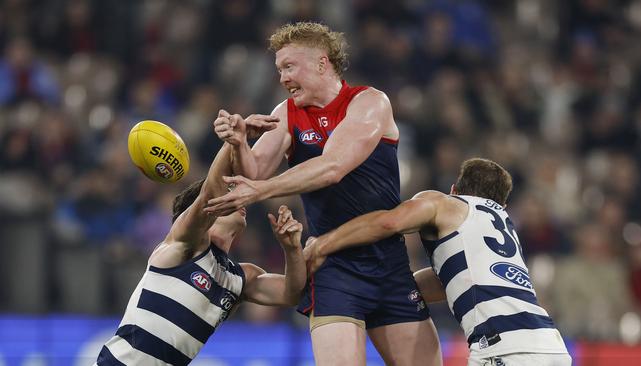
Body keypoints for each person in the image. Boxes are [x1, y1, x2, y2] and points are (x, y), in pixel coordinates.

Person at [206, 22, 441, 366]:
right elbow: (252, 173)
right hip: (331, 268)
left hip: (390, 265)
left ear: (322, 63)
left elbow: (333, 167)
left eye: (289, 66)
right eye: (279, 70)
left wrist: (261, 190)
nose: (283, 78)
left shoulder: (369, 102)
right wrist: (238, 143)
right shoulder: (286, 114)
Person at [305, 158, 572, 366]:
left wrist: (324, 243)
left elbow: (388, 222)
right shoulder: (505, 227)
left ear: (454, 189)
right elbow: (450, 282)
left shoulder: (446, 203)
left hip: (506, 349)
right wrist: (393, 291)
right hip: (553, 347)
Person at [95, 118, 306, 366]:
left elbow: (292, 293)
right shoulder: (182, 246)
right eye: (230, 193)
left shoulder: (239, 278)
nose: (238, 198)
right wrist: (233, 142)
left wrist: (292, 249)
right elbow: (210, 192)